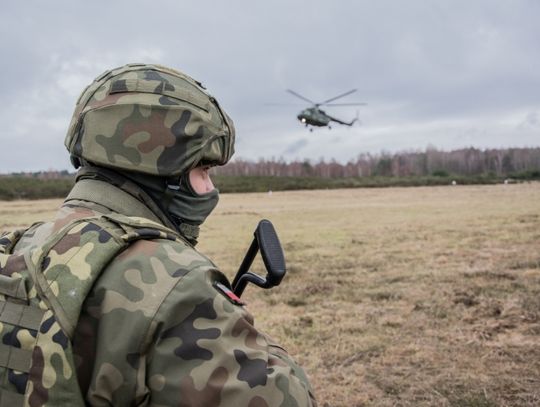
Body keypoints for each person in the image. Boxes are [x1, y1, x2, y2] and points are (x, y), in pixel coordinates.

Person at [10, 64, 316, 406]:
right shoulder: (175, 284)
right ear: (163, 172)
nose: (210, 188)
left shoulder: (16, 247)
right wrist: (255, 341)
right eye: (204, 169)